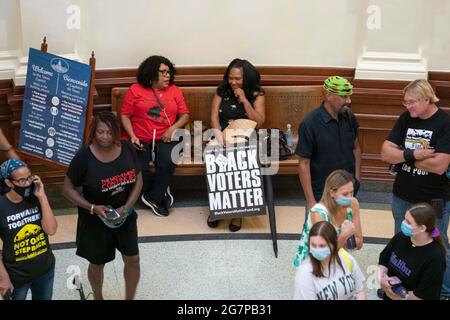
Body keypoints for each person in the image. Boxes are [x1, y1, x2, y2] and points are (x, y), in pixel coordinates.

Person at [380, 79, 450, 299]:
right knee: (402, 240)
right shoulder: (405, 119)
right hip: (402, 196)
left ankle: (444, 291)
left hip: (434, 202)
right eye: (405, 102)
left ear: (427, 99)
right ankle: (396, 286)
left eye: (412, 102)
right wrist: (415, 155)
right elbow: (385, 152)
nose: (407, 106)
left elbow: (440, 166)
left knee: (438, 244)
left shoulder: (445, 123)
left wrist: (403, 158)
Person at [63, 111, 143, 300]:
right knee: (97, 263)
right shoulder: (84, 155)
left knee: (133, 258)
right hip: (95, 219)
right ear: (94, 132)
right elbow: (67, 189)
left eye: (109, 132)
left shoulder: (127, 149)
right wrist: (92, 207)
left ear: (116, 132)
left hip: (124, 215)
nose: (105, 137)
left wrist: (126, 208)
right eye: (100, 132)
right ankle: (98, 298)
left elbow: (138, 180)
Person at [120, 55, 190, 217]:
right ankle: (161, 193)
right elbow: (125, 116)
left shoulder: (175, 90)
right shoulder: (135, 90)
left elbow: (185, 115)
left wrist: (173, 129)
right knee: (140, 167)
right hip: (140, 137)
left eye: (169, 72)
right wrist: (132, 136)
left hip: (166, 137)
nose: (168, 76)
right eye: (163, 72)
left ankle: (153, 197)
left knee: (168, 160)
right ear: (151, 73)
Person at [207, 58, 265, 232]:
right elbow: (214, 118)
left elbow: (260, 122)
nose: (233, 82)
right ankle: (217, 209)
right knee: (215, 157)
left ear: (246, 79)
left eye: (237, 79)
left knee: (240, 158)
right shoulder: (221, 91)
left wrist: (245, 100)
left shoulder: (257, 94)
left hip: (246, 136)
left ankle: (237, 212)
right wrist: (219, 138)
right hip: (223, 135)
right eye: (230, 78)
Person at [295, 76, 361, 217]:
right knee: (317, 235)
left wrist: (357, 179)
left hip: (347, 189)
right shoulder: (309, 124)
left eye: (349, 96)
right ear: (328, 95)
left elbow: (356, 148)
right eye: (344, 96)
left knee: (345, 231)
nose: (348, 101)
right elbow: (303, 164)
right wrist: (311, 201)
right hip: (322, 193)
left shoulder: (350, 118)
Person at [0, 159, 57, 300]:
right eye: (21, 180)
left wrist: (42, 196)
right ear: (8, 183)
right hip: (17, 275)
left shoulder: (36, 197)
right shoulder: (1, 206)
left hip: (45, 269)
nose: (27, 183)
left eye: (29, 178)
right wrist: (3, 277)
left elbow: (51, 230)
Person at [294, 169, 363, 268]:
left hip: (336, 259)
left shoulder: (353, 204)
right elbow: (323, 252)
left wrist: (338, 242)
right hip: (313, 264)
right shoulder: (318, 213)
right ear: (332, 193)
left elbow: (359, 242)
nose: (349, 197)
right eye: (345, 194)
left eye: (351, 192)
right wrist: (344, 236)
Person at [378, 203, 447, 300]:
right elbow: (383, 261)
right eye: (404, 219)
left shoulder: (435, 258)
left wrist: (393, 295)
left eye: (408, 222)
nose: (403, 223)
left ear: (422, 228)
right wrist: (381, 279)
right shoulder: (401, 237)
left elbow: (423, 295)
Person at [293, 221, 366, 300]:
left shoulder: (346, 258)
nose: (317, 250)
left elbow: (360, 290)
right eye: (313, 245)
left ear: (333, 244)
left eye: (322, 245)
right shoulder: (305, 273)